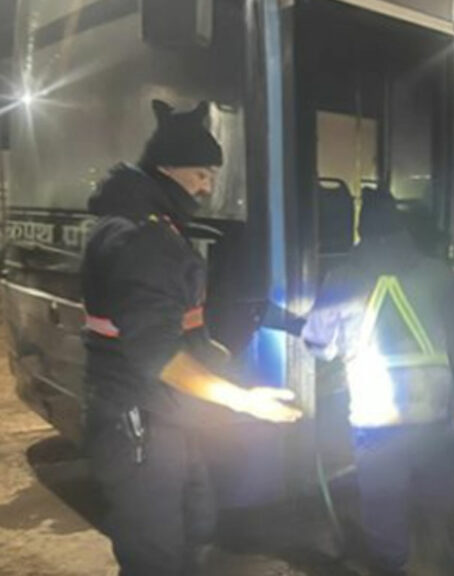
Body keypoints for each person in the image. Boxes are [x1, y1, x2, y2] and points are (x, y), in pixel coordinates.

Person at [82, 99, 301, 576]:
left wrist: (223, 364)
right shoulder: (142, 239)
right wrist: (244, 402)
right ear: (167, 168)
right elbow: (158, 355)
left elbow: (180, 324)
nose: (207, 187)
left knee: (193, 529)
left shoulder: (150, 227)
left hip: (163, 418)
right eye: (201, 174)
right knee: (157, 556)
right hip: (141, 429)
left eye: (213, 175)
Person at [301, 188, 454, 576]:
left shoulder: (342, 278)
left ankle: (391, 565)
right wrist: (447, 379)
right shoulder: (437, 273)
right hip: (436, 409)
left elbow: (318, 345)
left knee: (383, 497)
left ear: (361, 232)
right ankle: (446, 557)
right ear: (402, 229)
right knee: (440, 488)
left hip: (376, 414)